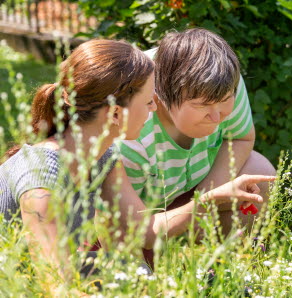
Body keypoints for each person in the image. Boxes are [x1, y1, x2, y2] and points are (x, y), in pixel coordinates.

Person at [0, 39, 275, 291]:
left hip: (44, 276)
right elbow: (53, 284)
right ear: (116, 113)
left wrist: (211, 199)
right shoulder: (42, 175)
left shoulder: (103, 157)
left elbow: (144, 229)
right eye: (148, 102)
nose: (155, 109)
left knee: (134, 275)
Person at [120, 28, 276, 235]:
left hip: (194, 185)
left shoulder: (221, 79)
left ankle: (224, 261)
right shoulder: (131, 124)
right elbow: (129, 226)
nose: (216, 117)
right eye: (202, 105)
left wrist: (206, 199)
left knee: (260, 171)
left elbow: (240, 138)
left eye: (224, 101)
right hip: (137, 212)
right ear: (161, 97)